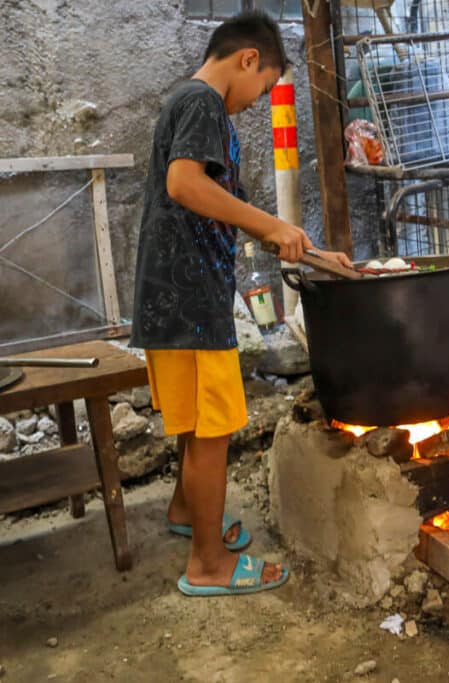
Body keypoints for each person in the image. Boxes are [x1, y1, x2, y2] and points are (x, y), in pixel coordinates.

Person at [130, 11, 352, 597]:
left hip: (174, 297)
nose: (256, 103)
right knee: (213, 432)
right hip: (190, 301)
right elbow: (184, 185)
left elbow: (230, 212)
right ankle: (207, 566)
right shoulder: (202, 101)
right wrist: (271, 223)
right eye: (264, 87)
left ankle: (186, 510)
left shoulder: (191, 104)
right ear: (249, 59)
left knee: (197, 425)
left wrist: (318, 255)